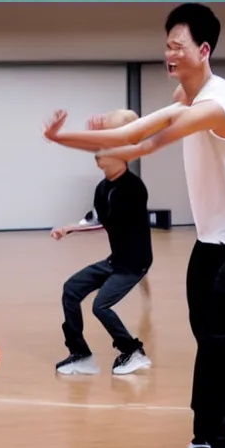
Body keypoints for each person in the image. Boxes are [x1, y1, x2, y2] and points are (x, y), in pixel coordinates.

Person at [44, 3, 225, 448]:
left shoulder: (217, 105)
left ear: (203, 50)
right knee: (212, 340)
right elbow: (130, 137)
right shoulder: (186, 97)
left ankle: (210, 440)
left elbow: (141, 142)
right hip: (212, 238)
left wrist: (66, 136)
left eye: (178, 45)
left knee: (215, 340)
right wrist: (64, 138)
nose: (169, 52)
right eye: (166, 44)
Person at [52, 109, 152, 378]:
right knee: (71, 290)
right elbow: (96, 216)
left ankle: (133, 351)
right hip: (116, 260)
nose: (97, 152)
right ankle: (80, 354)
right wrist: (71, 226)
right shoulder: (103, 188)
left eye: (104, 147)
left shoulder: (133, 188)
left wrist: (73, 228)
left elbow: (108, 222)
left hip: (134, 263)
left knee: (101, 306)